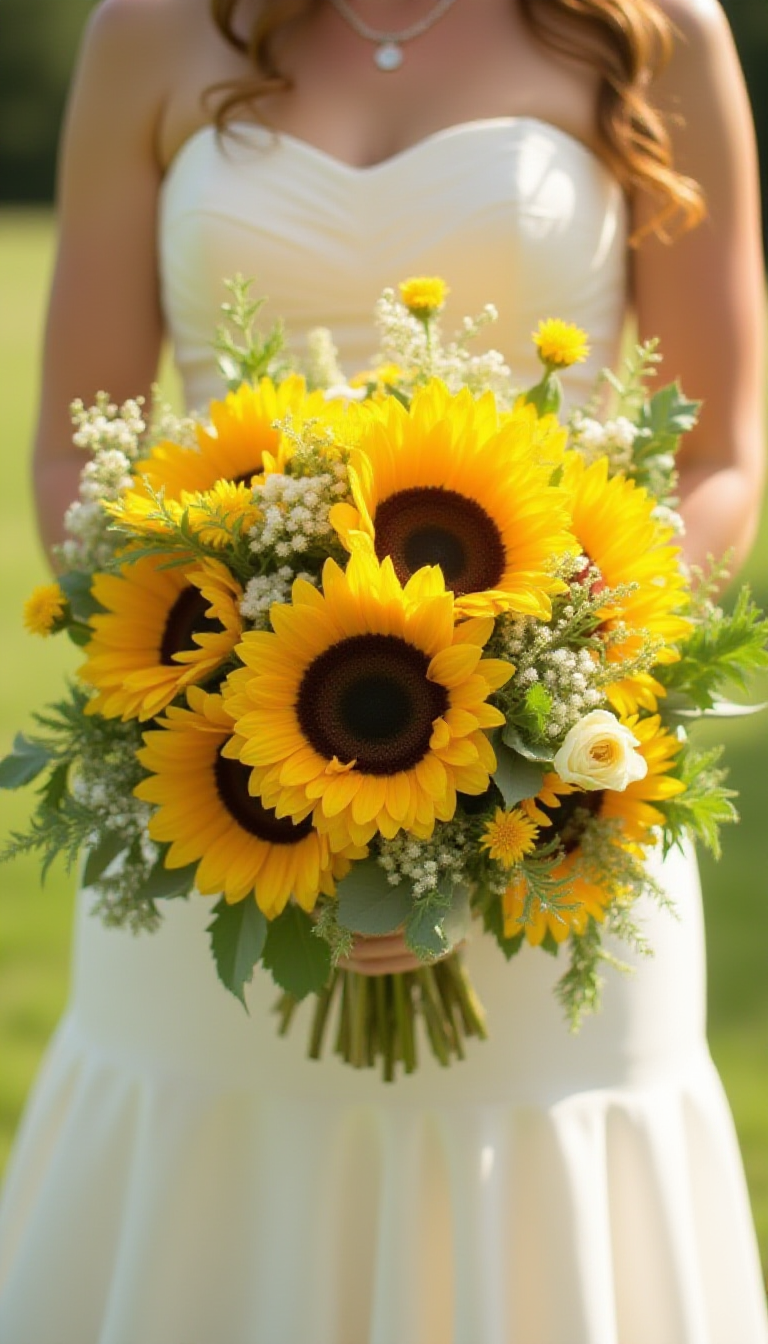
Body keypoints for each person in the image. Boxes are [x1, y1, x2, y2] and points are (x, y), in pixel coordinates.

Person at [0, 0, 765, 1340]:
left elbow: (719, 457)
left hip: (562, 784)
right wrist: (209, 665)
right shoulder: (148, 31)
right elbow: (75, 443)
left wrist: (573, 662)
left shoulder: (655, 30)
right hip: (215, 793)